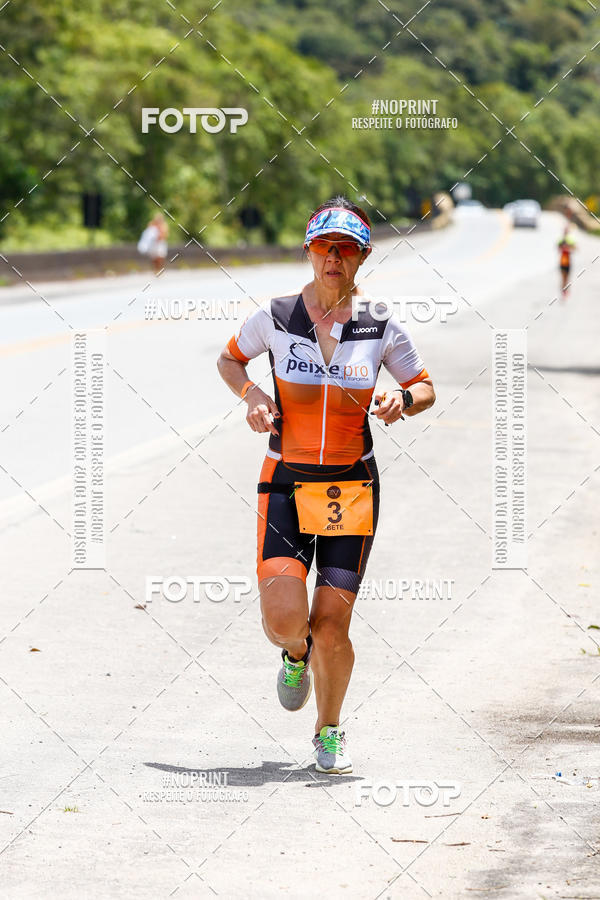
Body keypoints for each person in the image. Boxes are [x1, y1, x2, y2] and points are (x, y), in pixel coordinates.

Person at [217, 197, 435, 774]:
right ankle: (296, 654)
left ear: (362, 256)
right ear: (309, 252)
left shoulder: (379, 323)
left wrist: (402, 398)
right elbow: (230, 361)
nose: (333, 258)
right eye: (323, 247)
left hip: (350, 487)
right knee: (286, 621)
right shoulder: (276, 315)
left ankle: (329, 730)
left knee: (333, 623)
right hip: (285, 482)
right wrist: (252, 395)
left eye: (345, 249)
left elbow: (424, 386)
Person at [558, 224, 576, 298]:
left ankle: (565, 290)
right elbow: (558, 248)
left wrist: (569, 249)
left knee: (567, 278)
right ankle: (563, 291)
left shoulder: (570, 240)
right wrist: (563, 248)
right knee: (563, 277)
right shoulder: (561, 240)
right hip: (562, 261)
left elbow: (575, 248)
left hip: (568, 262)